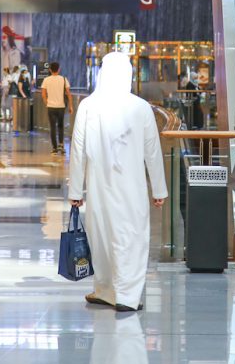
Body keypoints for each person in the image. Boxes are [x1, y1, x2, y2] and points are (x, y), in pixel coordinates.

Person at [68, 52, 167, 312]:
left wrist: (76, 189)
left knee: (100, 236)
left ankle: (105, 289)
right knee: (130, 237)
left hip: (99, 187)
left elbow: (77, 150)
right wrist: (159, 189)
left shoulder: (89, 105)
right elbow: (152, 152)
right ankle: (125, 295)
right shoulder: (141, 107)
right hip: (131, 187)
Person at [41, 62, 72, 155]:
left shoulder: (46, 80)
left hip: (51, 107)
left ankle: (54, 148)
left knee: (52, 127)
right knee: (61, 126)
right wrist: (71, 106)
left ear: (50, 70)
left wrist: (47, 103)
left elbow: (43, 94)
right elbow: (68, 93)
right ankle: (61, 145)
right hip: (61, 107)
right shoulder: (63, 79)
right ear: (59, 69)